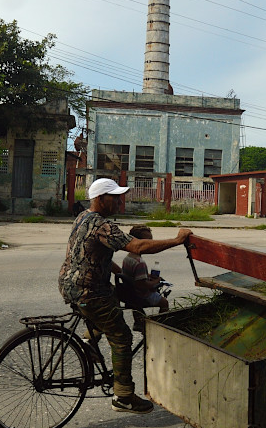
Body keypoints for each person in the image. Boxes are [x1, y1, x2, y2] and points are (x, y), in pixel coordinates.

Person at [59, 177, 191, 414]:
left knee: (113, 297)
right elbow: (138, 247)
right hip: (90, 292)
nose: (119, 202)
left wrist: (120, 273)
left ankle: (90, 340)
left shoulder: (82, 218)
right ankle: (124, 396)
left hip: (70, 284)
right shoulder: (102, 225)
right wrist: (177, 240)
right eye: (115, 197)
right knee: (122, 337)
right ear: (100, 199)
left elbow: (92, 253)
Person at [118, 225, 171, 333]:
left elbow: (135, 277)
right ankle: (160, 327)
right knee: (164, 303)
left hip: (131, 293)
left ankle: (139, 321)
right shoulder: (139, 262)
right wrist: (156, 281)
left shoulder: (128, 258)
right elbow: (142, 285)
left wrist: (148, 276)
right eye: (147, 241)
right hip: (141, 294)